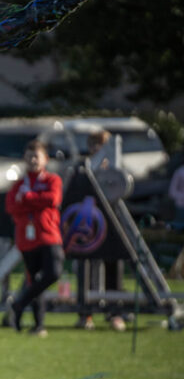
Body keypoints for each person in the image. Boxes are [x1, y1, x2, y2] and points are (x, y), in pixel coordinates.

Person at [68, 130, 126, 331]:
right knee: (87, 269)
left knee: (113, 267)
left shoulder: (116, 169)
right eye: (93, 144)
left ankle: (115, 312)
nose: (95, 149)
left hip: (112, 224)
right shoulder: (82, 168)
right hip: (89, 225)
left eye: (100, 145)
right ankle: (86, 313)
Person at [6, 140, 64, 336]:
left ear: (45, 159)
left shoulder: (52, 180)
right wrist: (35, 201)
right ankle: (39, 325)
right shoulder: (19, 184)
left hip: (48, 236)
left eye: (36, 156)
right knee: (33, 280)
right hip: (27, 238)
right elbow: (12, 206)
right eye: (29, 156)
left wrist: (29, 198)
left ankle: (20, 303)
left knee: (53, 273)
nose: (32, 160)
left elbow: (52, 199)